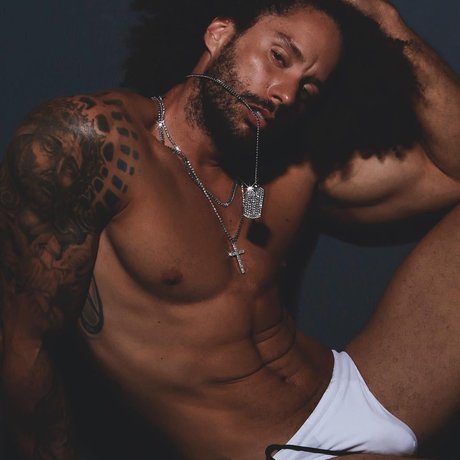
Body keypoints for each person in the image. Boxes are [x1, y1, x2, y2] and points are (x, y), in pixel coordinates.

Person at [1, 1, 459, 459]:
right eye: (279, 57)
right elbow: (23, 347)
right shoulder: (95, 144)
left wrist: (382, 18)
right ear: (219, 33)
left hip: (362, 388)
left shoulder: (289, 166)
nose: (286, 93)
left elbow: (452, 170)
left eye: (308, 87)